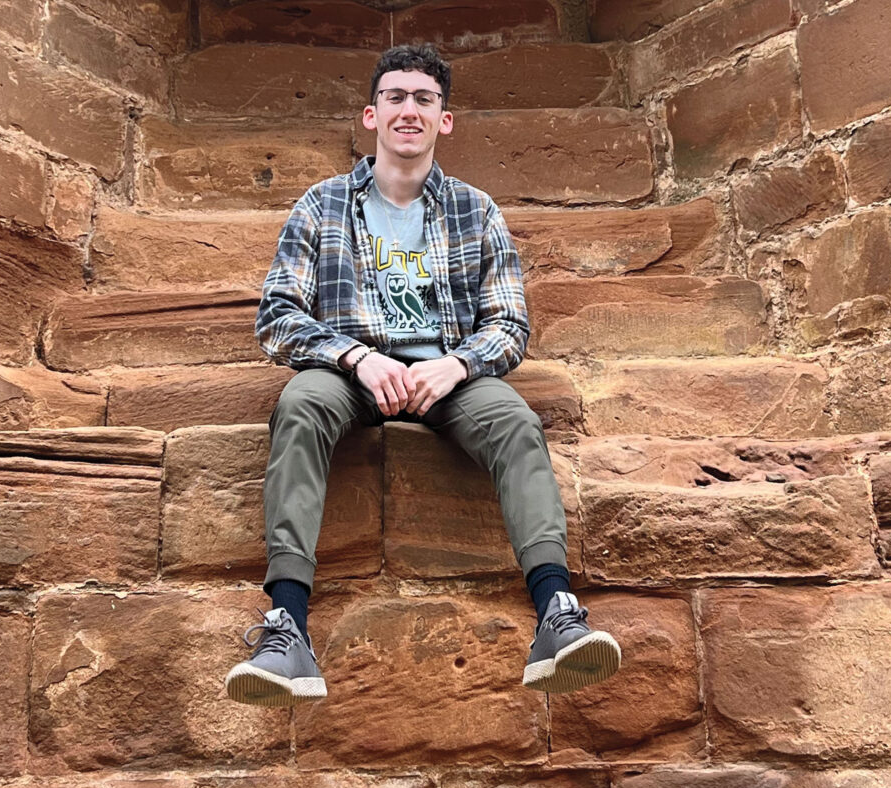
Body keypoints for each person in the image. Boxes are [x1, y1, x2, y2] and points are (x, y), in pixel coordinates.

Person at [225, 43, 621, 707]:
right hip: (351, 372)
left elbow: (509, 325)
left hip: (446, 375)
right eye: (396, 98)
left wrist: (456, 364)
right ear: (370, 116)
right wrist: (355, 357)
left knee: (514, 421)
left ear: (445, 121)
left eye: (424, 100)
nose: (409, 110)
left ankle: (556, 613)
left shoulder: (475, 211)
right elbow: (277, 316)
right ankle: (286, 626)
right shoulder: (321, 206)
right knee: (300, 404)